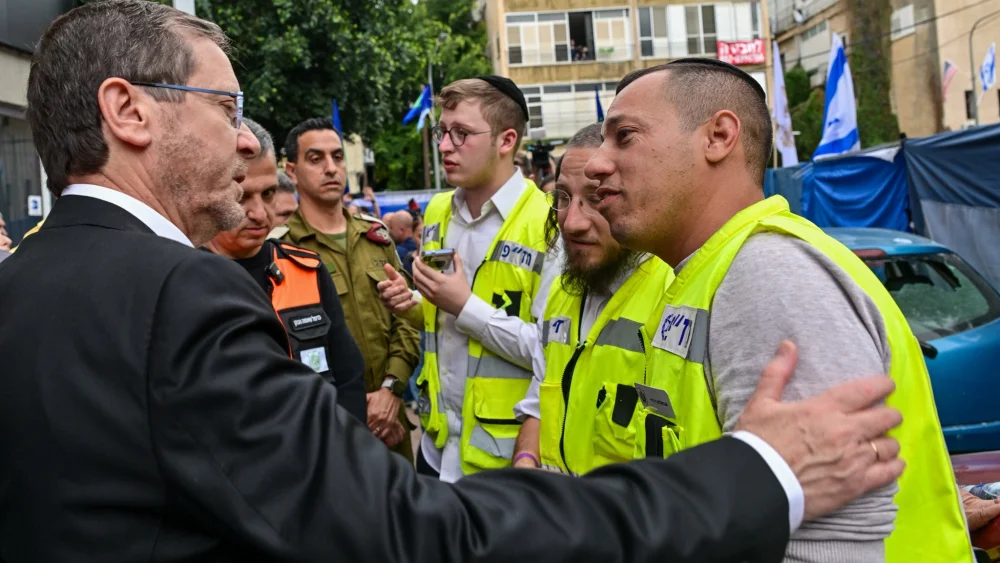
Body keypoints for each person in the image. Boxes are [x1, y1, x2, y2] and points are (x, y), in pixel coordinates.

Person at [0, 2, 907, 561]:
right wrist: (758, 474)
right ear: (127, 111)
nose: (248, 141)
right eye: (229, 108)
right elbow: (410, 536)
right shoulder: (176, 295)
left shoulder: (28, 283)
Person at [586, 58, 970, 562]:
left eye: (625, 136)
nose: (596, 163)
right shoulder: (702, 273)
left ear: (719, 136)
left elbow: (827, 546)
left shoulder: (766, 274)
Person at [377, 76, 565, 482]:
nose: (445, 146)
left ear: (506, 140)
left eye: (461, 134)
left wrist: (463, 305)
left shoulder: (550, 225)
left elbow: (554, 353)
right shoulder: (438, 211)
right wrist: (414, 300)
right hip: (434, 446)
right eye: (442, 133)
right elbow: (441, 320)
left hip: (505, 461)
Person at [509, 123, 674, 474]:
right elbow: (540, 403)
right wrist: (525, 462)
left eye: (596, 198)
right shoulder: (560, 295)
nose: (571, 223)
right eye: (563, 198)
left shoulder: (674, 297)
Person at [203, 117, 367, 424]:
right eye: (241, 196)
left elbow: (349, 378)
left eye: (267, 194)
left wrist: (343, 456)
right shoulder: (184, 279)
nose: (259, 213)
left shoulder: (308, 270)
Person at [278, 117, 419, 460]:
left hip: (390, 418)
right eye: (316, 159)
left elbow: (409, 318)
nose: (331, 168)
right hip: (326, 425)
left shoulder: (376, 237)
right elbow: (283, 348)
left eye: (338, 157)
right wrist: (353, 407)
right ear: (292, 171)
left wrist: (392, 389)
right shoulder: (281, 248)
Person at [385, 209, 418, 276]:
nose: (389, 231)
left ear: (401, 230)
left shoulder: (397, 252)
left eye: (391, 227)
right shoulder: (421, 247)